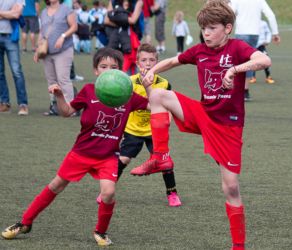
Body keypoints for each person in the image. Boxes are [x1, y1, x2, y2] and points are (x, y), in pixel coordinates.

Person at [129, 1, 270, 249]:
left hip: (228, 128)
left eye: (211, 28)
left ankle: (239, 246)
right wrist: (152, 71)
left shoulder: (237, 48)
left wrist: (235, 70)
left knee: (231, 188)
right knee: (159, 95)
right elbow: (173, 61)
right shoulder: (199, 51)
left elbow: (263, 60)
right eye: (203, 28)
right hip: (202, 114)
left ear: (227, 28)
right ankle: (161, 156)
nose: (206, 33)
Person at [1, 47, 149, 246]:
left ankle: (101, 232)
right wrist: (60, 96)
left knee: (108, 192)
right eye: (103, 66)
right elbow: (67, 112)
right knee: (56, 185)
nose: (108, 70)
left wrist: (147, 86)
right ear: (96, 70)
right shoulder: (89, 90)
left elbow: (154, 105)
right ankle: (24, 223)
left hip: (108, 156)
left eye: (113, 67)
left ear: (120, 72)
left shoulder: (127, 95)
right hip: (81, 152)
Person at [117, 43, 181, 207]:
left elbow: (169, 105)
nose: (148, 63)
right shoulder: (129, 82)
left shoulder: (164, 84)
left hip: (155, 131)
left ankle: (172, 193)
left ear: (157, 63)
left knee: (165, 162)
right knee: (123, 159)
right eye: (144, 60)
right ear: (138, 63)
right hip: (133, 129)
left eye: (152, 60)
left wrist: (168, 119)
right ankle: (106, 190)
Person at [229, 0, 280, 101]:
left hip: (240, 33)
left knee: (239, 61)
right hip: (254, 34)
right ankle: (245, 91)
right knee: (249, 61)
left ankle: (237, 90)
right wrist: (275, 33)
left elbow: (230, 13)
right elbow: (271, 15)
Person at [35, 0, 78, 117]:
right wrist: (37, 49)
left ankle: (70, 108)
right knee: (51, 80)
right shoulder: (44, 12)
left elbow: (74, 27)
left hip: (63, 50)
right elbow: (42, 32)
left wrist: (63, 36)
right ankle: (55, 107)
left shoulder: (66, 10)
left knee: (63, 79)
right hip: (47, 51)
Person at [0, 0, 29, 115]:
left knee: (16, 71)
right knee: (0, 73)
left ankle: (23, 104)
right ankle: (4, 102)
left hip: (10, 37)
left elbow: (16, 14)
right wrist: (8, 13)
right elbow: (12, 14)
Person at [253, 19, 274, 84]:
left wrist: (267, 41)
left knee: (266, 60)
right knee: (252, 61)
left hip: (261, 45)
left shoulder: (263, 23)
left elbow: (268, 32)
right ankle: (252, 77)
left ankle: (268, 77)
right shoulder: (250, 22)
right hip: (252, 45)